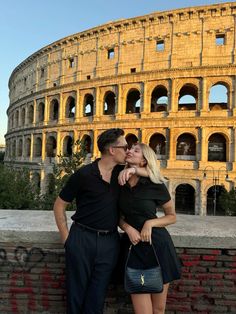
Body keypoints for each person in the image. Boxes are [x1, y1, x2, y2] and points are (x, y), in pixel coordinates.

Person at [53, 128, 146, 314]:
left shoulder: (123, 173)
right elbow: (59, 205)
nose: (128, 150)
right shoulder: (84, 174)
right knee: (75, 294)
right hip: (81, 238)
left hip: (109, 242)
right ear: (112, 150)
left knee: (97, 295)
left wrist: (135, 169)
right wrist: (67, 239)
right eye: (124, 146)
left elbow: (156, 173)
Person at [119, 143, 182, 314]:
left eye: (135, 150)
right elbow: (116, 216)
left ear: (144, 161)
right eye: (129, 149)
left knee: (159, 309)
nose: (129, 151)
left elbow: (172, 216)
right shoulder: (119, 180)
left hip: (158, 246)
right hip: (135, 247)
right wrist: (127, 228)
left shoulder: (154, 183)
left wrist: (150, 223)